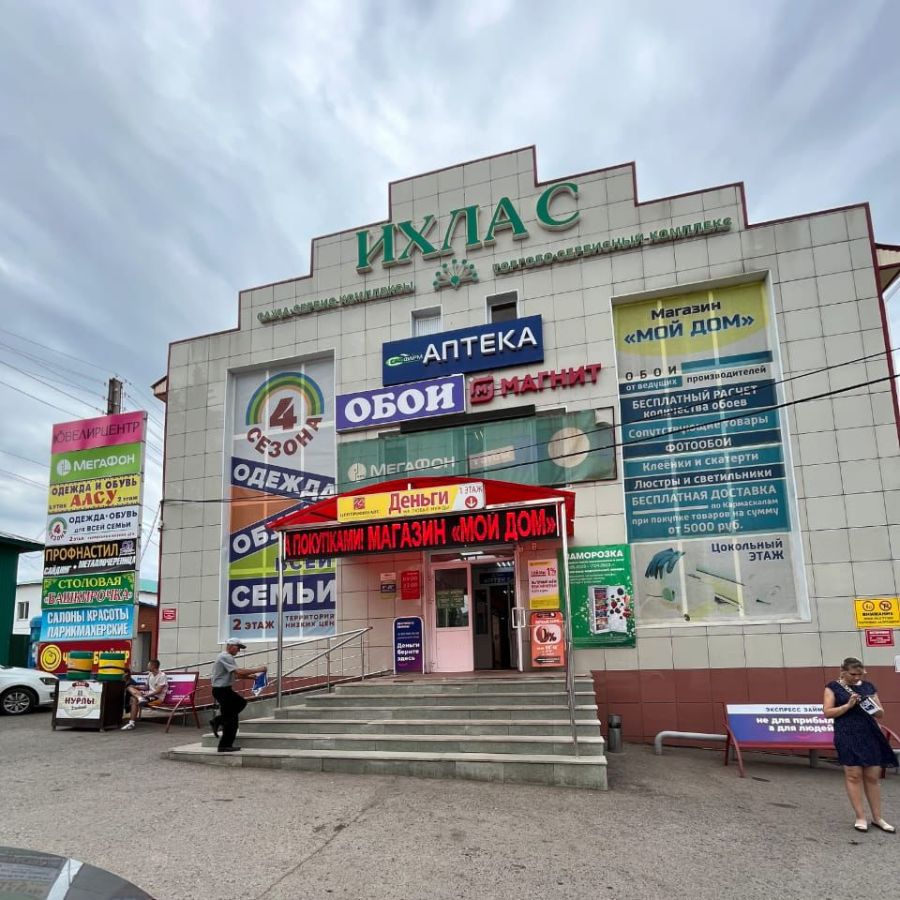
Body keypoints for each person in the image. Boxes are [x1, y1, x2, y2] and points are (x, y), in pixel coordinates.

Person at [823, 657, 897, 833]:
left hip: (869, 733)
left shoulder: (868, 687)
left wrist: (870, 705)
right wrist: (848, 705)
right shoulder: (832, 687)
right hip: (847, 733)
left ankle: (878, 818)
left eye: (860, 674)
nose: (857, 677)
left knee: (872, 776)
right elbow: (827, 712)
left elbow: (880, 714)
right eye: (853, 674)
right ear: (843, 672)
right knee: (853, 775)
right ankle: (860, 817)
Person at [209, 640, 267, 753]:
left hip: (224, 690)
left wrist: (250, 677)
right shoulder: (225, 656)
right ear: (230, 646)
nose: (239, 650)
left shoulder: (227, 657)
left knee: (232, 719)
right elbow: (239, 671)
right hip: (222, 691)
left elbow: (236, 675)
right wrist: (259, 669)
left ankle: (224, 744)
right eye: (238, 647)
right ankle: (218, 721)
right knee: (240, 704)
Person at [121, 658, 169, 730]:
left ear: (153, 666)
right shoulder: (150, 674)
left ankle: (131, 723)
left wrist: (146, 695)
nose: (147, 667)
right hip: (148, 695)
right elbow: (146, 687)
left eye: (148, 665)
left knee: (133, 699)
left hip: (157, 697)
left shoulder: (162, 675)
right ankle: (140, 698)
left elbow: (158, 691)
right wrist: (136, 687)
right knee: (129, 687)